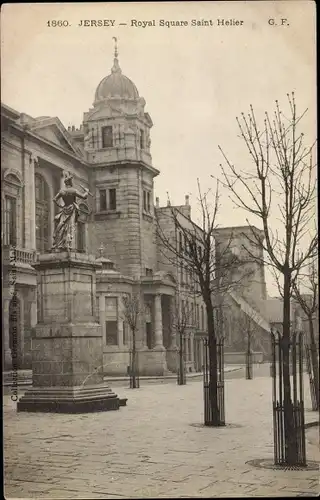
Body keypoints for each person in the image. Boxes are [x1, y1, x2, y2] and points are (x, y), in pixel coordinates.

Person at [52, 172, 89, 251]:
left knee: (62, 224)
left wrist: (60, 206)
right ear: (70, 182)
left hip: (65, 209)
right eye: (71, 181)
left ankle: (59, 241)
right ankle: (67, 243)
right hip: (72, 209)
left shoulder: (62, 191)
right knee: (70, 226)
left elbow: (54, 200)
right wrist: (86, 191)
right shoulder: (74, 191)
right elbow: (84, 197)